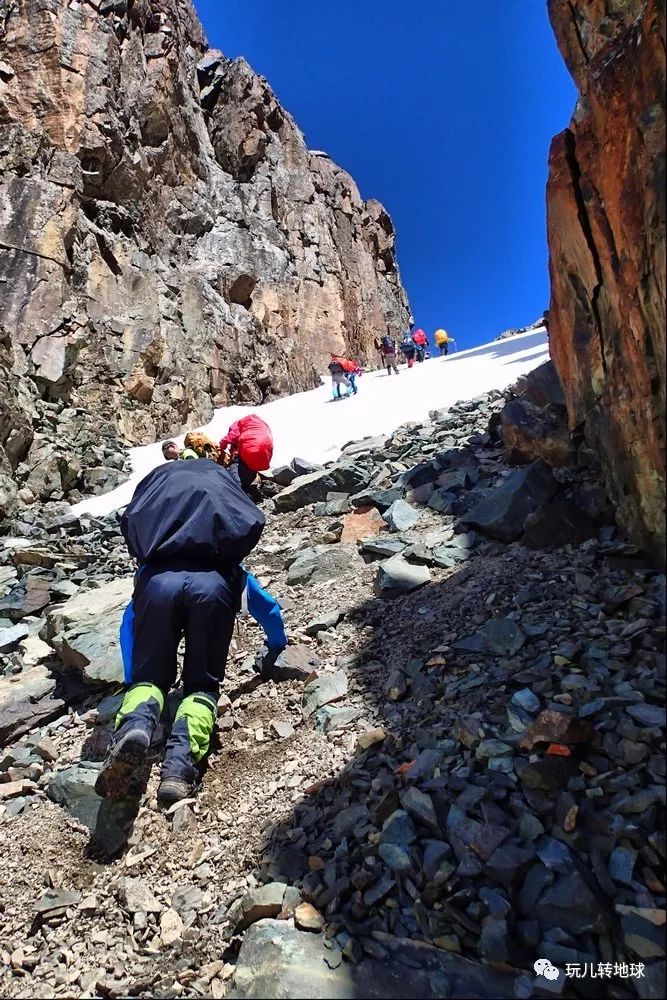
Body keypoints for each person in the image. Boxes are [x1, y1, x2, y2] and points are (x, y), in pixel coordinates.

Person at [95, 458, 269, 807]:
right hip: (214, 586)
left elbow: (129, 623)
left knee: (150, 679)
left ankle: (137, 725)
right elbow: (264, 603)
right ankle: (177, 772)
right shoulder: (222, 498)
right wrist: (276, 646)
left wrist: (137, 674)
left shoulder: (158, 485)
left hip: (157, 583)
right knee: (202, 686)